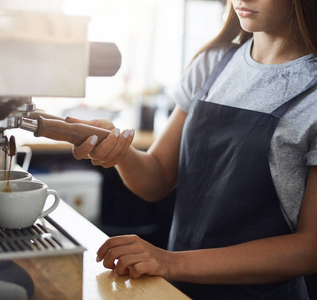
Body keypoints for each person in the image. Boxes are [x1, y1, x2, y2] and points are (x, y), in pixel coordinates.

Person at [66, 0, 317, 298]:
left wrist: (169, 261)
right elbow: (157, 177)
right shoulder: (212, 63)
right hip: (177, 289)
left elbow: (309, 248)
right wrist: (119, 152)